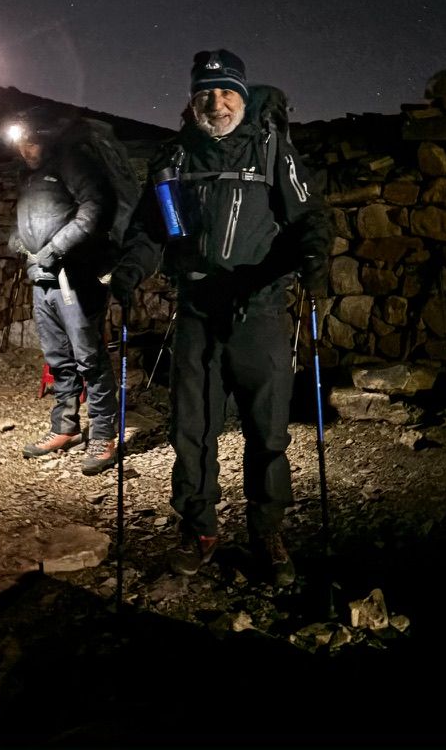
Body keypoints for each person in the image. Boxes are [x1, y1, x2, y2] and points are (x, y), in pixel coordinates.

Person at [108, 49, 332, 586]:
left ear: (243, 96)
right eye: (205, 93)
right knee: (192, 427)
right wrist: (129, 272)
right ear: (191, 101)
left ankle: (266, 530)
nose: (217, 102)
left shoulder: (271, 147)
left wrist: (314, 257)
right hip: (197, 309)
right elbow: (153, 229)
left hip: (258, 308)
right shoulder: (173, 160)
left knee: (267, 428)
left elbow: (307, 215)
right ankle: (199, 527)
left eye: (227, 91)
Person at [10, 106, 120, 476]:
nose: (25, 148)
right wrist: (17, 240)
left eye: (30, 141)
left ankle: (103, 434)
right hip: (42, 276)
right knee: (57, 356)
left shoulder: (72, 161)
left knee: (89, 357)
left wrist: (56, 247)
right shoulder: (29, 175)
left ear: (45, 138)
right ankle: (65, 427)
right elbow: (25, 217)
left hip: (75, 275)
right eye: (20, 142)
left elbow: (96, 206)